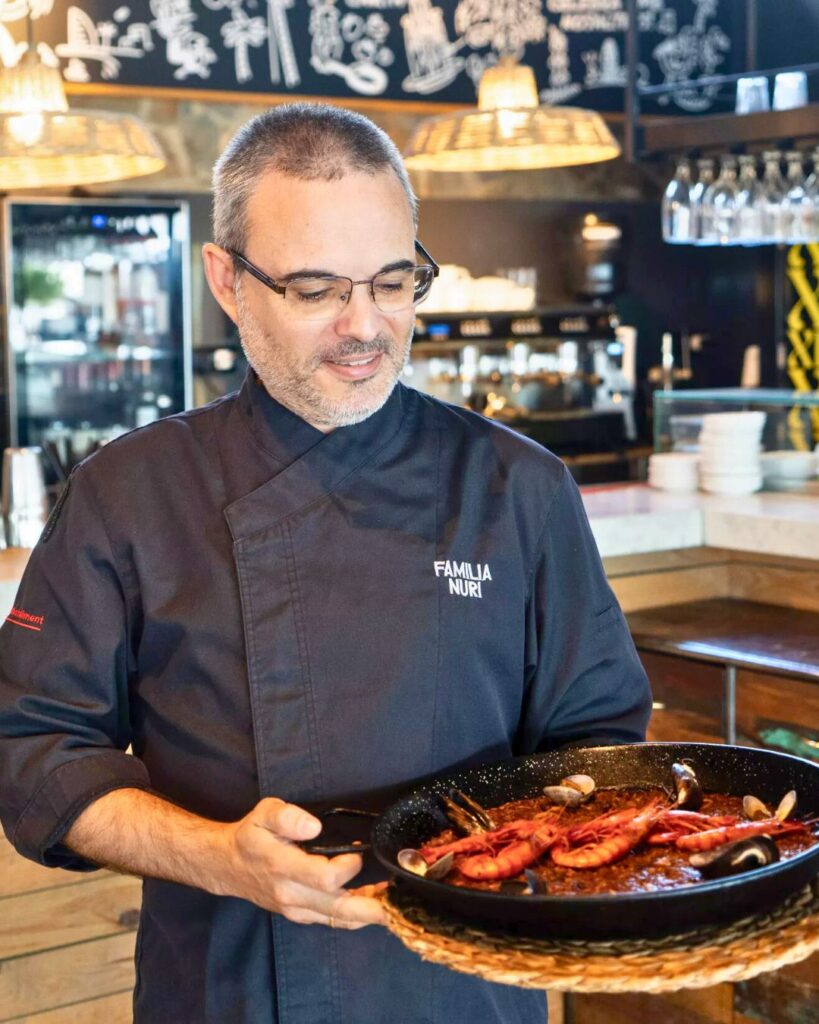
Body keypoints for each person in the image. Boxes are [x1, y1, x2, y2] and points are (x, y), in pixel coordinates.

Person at [0, 103, 651, 1023]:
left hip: (463, 993)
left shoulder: (518, 486)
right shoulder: (128, 493)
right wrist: (217, 854)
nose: (365, 327)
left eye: (393, 281)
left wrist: (515, 859)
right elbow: (33, 753)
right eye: (315, 290)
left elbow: (598, 743)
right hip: (226, 991)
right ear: (226, 281)